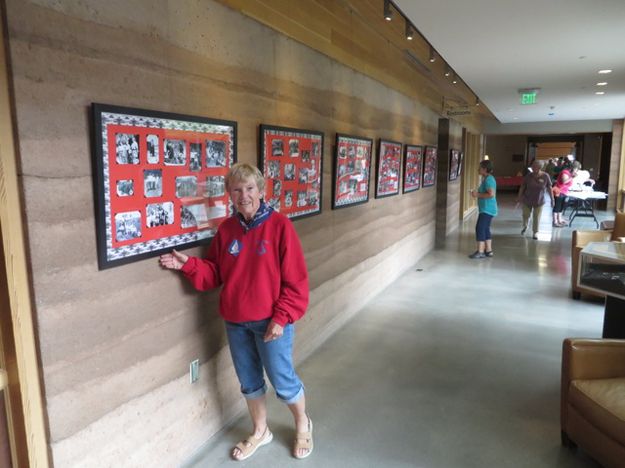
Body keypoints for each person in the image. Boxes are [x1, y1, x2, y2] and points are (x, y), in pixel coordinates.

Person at [159, 163, 313, 461]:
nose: (244, 195)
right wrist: (187, 265)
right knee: (249, 381)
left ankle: (303, 422)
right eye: (237, 190)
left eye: (250, 188)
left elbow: (296, 282)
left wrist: (281, 318)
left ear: (262, 191)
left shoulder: (280, 226)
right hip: (236, 322)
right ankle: (260, 431)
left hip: (272, 323)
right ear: (230, 195)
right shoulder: (227, 229)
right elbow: (215, 272)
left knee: (282, 380)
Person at [517, 159, 554, 240]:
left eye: (535, 167)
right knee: (526, 215)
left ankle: (535, 232)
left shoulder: (545, 176)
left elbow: (549, 188)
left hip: (539, 200)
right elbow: (523, 186)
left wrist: (552, 199)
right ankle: (525, 225)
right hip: (527, 199)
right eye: (533, 166)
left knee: (537, 217)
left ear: (540, 167)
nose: (533, 168)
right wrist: (519, 197)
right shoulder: (528, 176)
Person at [468, 160, 497, 259]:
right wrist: (477, 194)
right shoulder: (487, 179)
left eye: (480, 168)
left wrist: (477, 194)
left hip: (487, 209)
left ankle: (480, 251)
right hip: (487, 209)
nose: (478, 169)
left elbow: (491, 194)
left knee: (479, 228)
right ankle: (488, 250)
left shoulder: (489, 180)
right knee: (485, 228)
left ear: (485, 169)